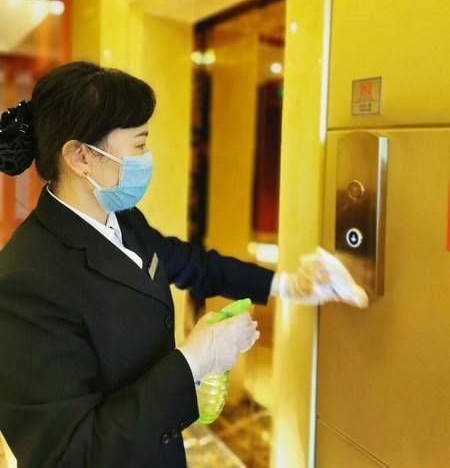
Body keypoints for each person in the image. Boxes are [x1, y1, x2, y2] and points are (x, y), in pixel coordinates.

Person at [0, 62, 365, 468]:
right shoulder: (26, 281)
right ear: (80, 156)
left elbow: (189, 263)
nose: (147, 158)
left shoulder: (121, 219)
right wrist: (193, 361)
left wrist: (288, 284)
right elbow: (69, 454)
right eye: (139, 145)